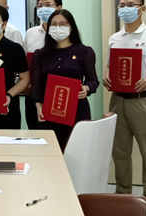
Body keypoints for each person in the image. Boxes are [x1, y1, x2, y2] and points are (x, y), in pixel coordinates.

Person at [104, 0, 146, 198]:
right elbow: (110, 65)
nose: (125, 9)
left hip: (143, 101)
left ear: (142, 9)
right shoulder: (115, 37)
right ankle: (123, 194)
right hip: (117, 100)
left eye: (130, 5)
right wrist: (107, 76)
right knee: (119, 151)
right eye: (122, 5)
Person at [32, 10, 99, 151]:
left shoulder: (84, 51)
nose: (58, 27)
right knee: (50, 152)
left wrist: (86, 88)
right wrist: (38, 105)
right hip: (49, 112)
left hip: (77, 110)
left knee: (76, 151)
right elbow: (36, 85)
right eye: (54, 24)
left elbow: (93, 80)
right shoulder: (40, 54)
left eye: (63, 24)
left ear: (71, 27)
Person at [23, 0, 63, 130]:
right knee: (35, 131)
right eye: (40, 6)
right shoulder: (30, 33)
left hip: (58, 93)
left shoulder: (65, 33)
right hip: (33, 93)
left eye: (48, 5)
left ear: (59, 8)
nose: (43, 9)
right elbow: (26, 63)